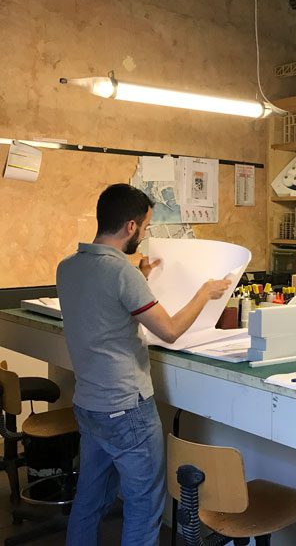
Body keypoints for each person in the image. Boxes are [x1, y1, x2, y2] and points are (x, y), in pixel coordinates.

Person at [56, 184, 230, 545]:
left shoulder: (69, 267)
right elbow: (170, 331)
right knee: (144, 505)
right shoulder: (122, 274)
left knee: (89, 500)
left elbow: (103, 306)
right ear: (131, 226)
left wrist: (142, 278)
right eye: (146, 227)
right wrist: (204, 293)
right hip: (126, 409)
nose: (145, 234)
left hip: (89, 404)